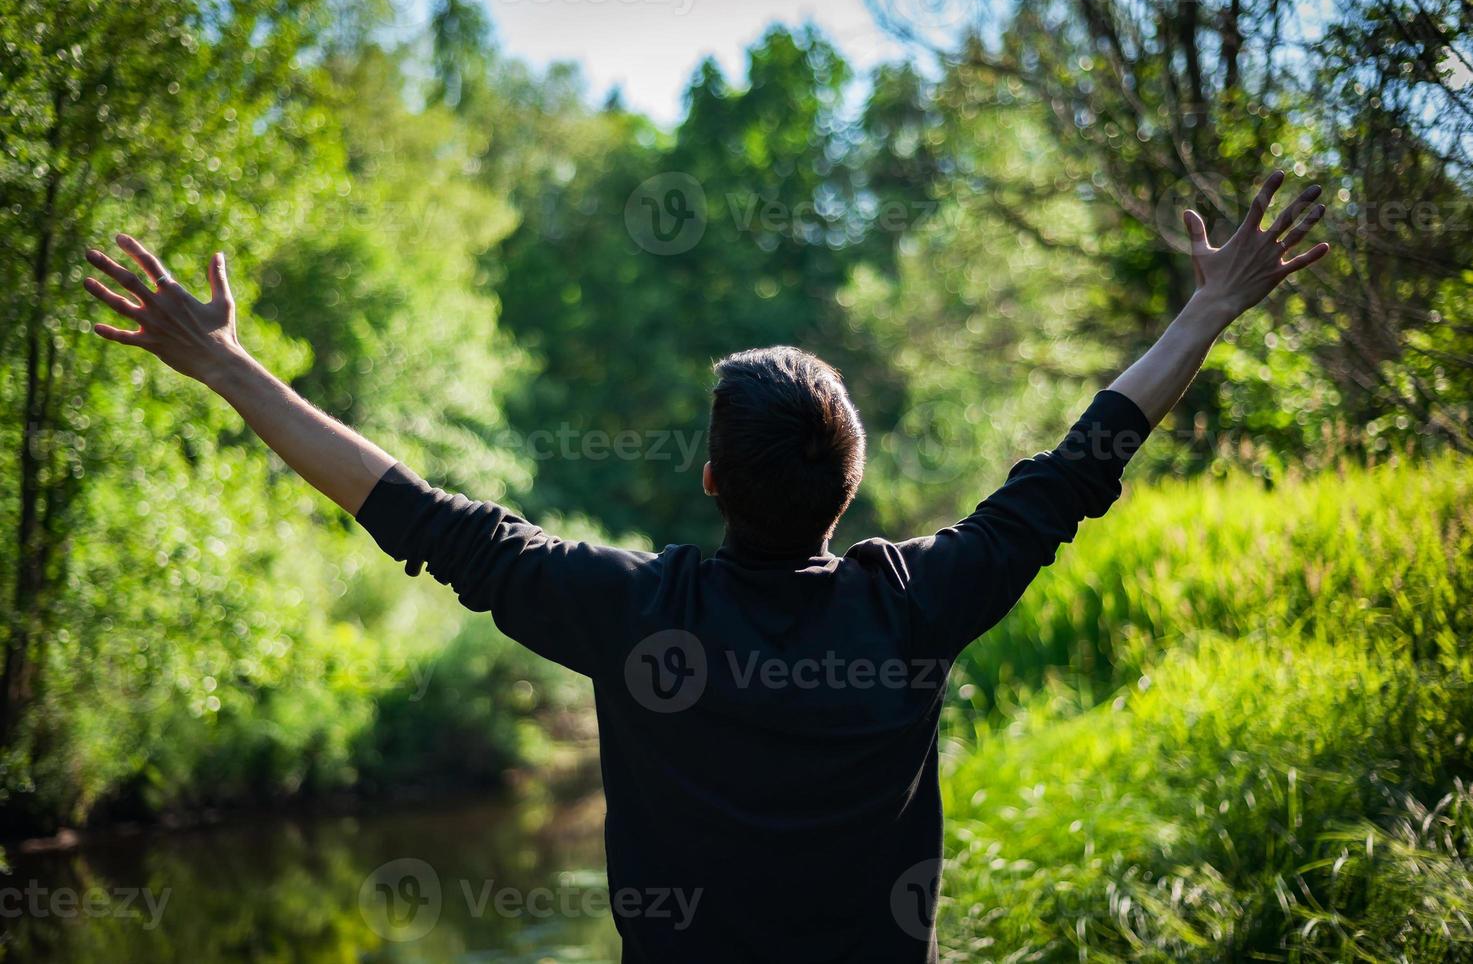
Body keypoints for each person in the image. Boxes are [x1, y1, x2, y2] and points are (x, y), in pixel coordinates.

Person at [81, 171, 1327, 963]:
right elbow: (1079, 463)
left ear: (713, 479)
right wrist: (1207, 310)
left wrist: (228, 367)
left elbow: (414, 510)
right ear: (849, 482)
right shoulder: (917, 603)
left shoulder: (638, 612)